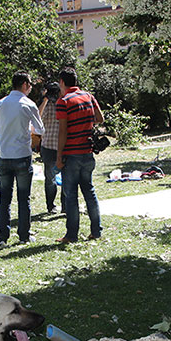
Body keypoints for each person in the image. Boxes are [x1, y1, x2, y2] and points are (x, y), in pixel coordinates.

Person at [0, 73, 43, 245]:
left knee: (4, 198)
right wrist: (28, 128)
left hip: (4, 155)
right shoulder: (29, 104)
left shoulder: (0, 104)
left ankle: (3, 237)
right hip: (22, 155)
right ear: (25, 84)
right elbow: (40, 130)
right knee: (23, 198)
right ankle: (23, 235)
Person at [55, 67, 103, 243]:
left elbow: (62, 131)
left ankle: (71, 235)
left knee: (71, 196)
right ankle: (96, 231)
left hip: (71, 154)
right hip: (87, 152)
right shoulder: (88, 96)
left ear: (62, 82)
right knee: (89, 191)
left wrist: (59, 156)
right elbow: (100, 118)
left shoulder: (63, 101)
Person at [36, 82, 61, 212]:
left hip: (63, 147)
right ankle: (51, 206)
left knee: (67, 178)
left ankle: (66, 206)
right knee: (50, 179)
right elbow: (37, 117)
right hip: (48, 146)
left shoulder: (64, 103)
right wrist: (45, 99)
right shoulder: (46, 106)